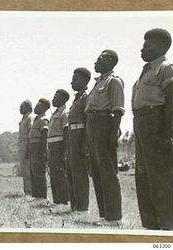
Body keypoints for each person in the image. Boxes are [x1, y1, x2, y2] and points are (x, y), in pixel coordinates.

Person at [132, 28, 173, 230]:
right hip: (141, 122)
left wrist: (167, 134)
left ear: (162, 46)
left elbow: (172, 102)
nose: (142, 49)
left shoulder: (166, 68)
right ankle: (151, 226)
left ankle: (167, 225)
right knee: (143, 176)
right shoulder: (146, 71)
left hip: (156, 123)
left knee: (159, 176)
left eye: (147, 45)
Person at [85, 50, 124, 227]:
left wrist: (112, 134)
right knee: (97, 171)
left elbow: (117, 111)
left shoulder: (113, 81)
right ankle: (105, 214)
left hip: (105, 125)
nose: (95, 62)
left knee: (108, 172)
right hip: (92, 125)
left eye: (99, 59)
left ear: (110, 61)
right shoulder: (97, 83)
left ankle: (114, 217)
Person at [67, 68, 91, 218]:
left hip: (80, 133)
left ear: (84, 81)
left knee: (80, 172)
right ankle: (75, 205)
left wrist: (84, 141)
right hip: (72, 133)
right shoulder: (77, 98)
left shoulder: (86, 97)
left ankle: (83, 208)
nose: (72, 82)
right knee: (72, 171)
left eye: (75, 79)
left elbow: (88, 120)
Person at [47, 89, 70, 213]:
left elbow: (66, 132)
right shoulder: (54, 114)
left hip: (59, 144)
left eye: (56, 97)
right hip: (51, 144)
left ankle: (64, 202)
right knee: (54, 174)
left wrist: (64, 150)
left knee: (60, 174)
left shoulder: (64, 113)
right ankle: (56, 201)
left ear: (63, 99)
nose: (53, 99)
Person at [28, 98, 50, 205]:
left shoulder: (43, 119)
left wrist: (42, 151)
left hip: (38, 145)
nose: (35, 107)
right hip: (33, 145)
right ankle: (36, 195)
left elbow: (44, 134)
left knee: (40, 171)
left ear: (44, 108)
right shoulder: (36, 119)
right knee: (33, 171)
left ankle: (42, 196)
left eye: (38, 106)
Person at [18, 99, 33, 195]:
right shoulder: (24, 118)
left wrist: (28, 148)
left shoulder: (30, 118)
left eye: (22, 107)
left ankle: (30, 190)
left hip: (27, 143)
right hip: (22, 143)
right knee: (24, 167)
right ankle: (26, 190)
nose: (20, 109)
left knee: (28, 168)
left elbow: (30, 133)